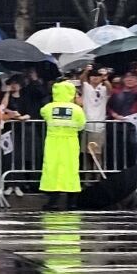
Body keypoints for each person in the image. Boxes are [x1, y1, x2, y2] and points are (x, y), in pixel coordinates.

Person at [39, 80, 87, 210]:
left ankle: (53, 201)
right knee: (70, 171)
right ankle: (71, 202)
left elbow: (42, 113)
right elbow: (82, 125)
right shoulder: (77, 109)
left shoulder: (49, 107)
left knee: (53, 170)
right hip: (70, 142)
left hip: (53, 142)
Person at [80, 67, 109, 168]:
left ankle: (97, 177)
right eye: (93, 75)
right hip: (86, 125)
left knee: (96, 154)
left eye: (98, 76)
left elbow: (111, 89)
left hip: (98, 126)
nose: (95, 78)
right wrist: (86, 70)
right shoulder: (86, 87)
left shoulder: (104, 88)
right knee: (85, 154)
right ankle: (88, 179)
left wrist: (105, 78)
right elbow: (82, 79)